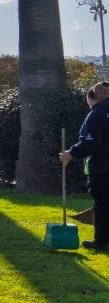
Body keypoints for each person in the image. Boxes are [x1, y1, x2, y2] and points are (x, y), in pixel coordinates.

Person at [59, 80, 109, 250]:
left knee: (102, 204)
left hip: (102, 168)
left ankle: (101, 241)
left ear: (93, 97)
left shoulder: (96, 115)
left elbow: (90, 142)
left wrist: (70, 153)